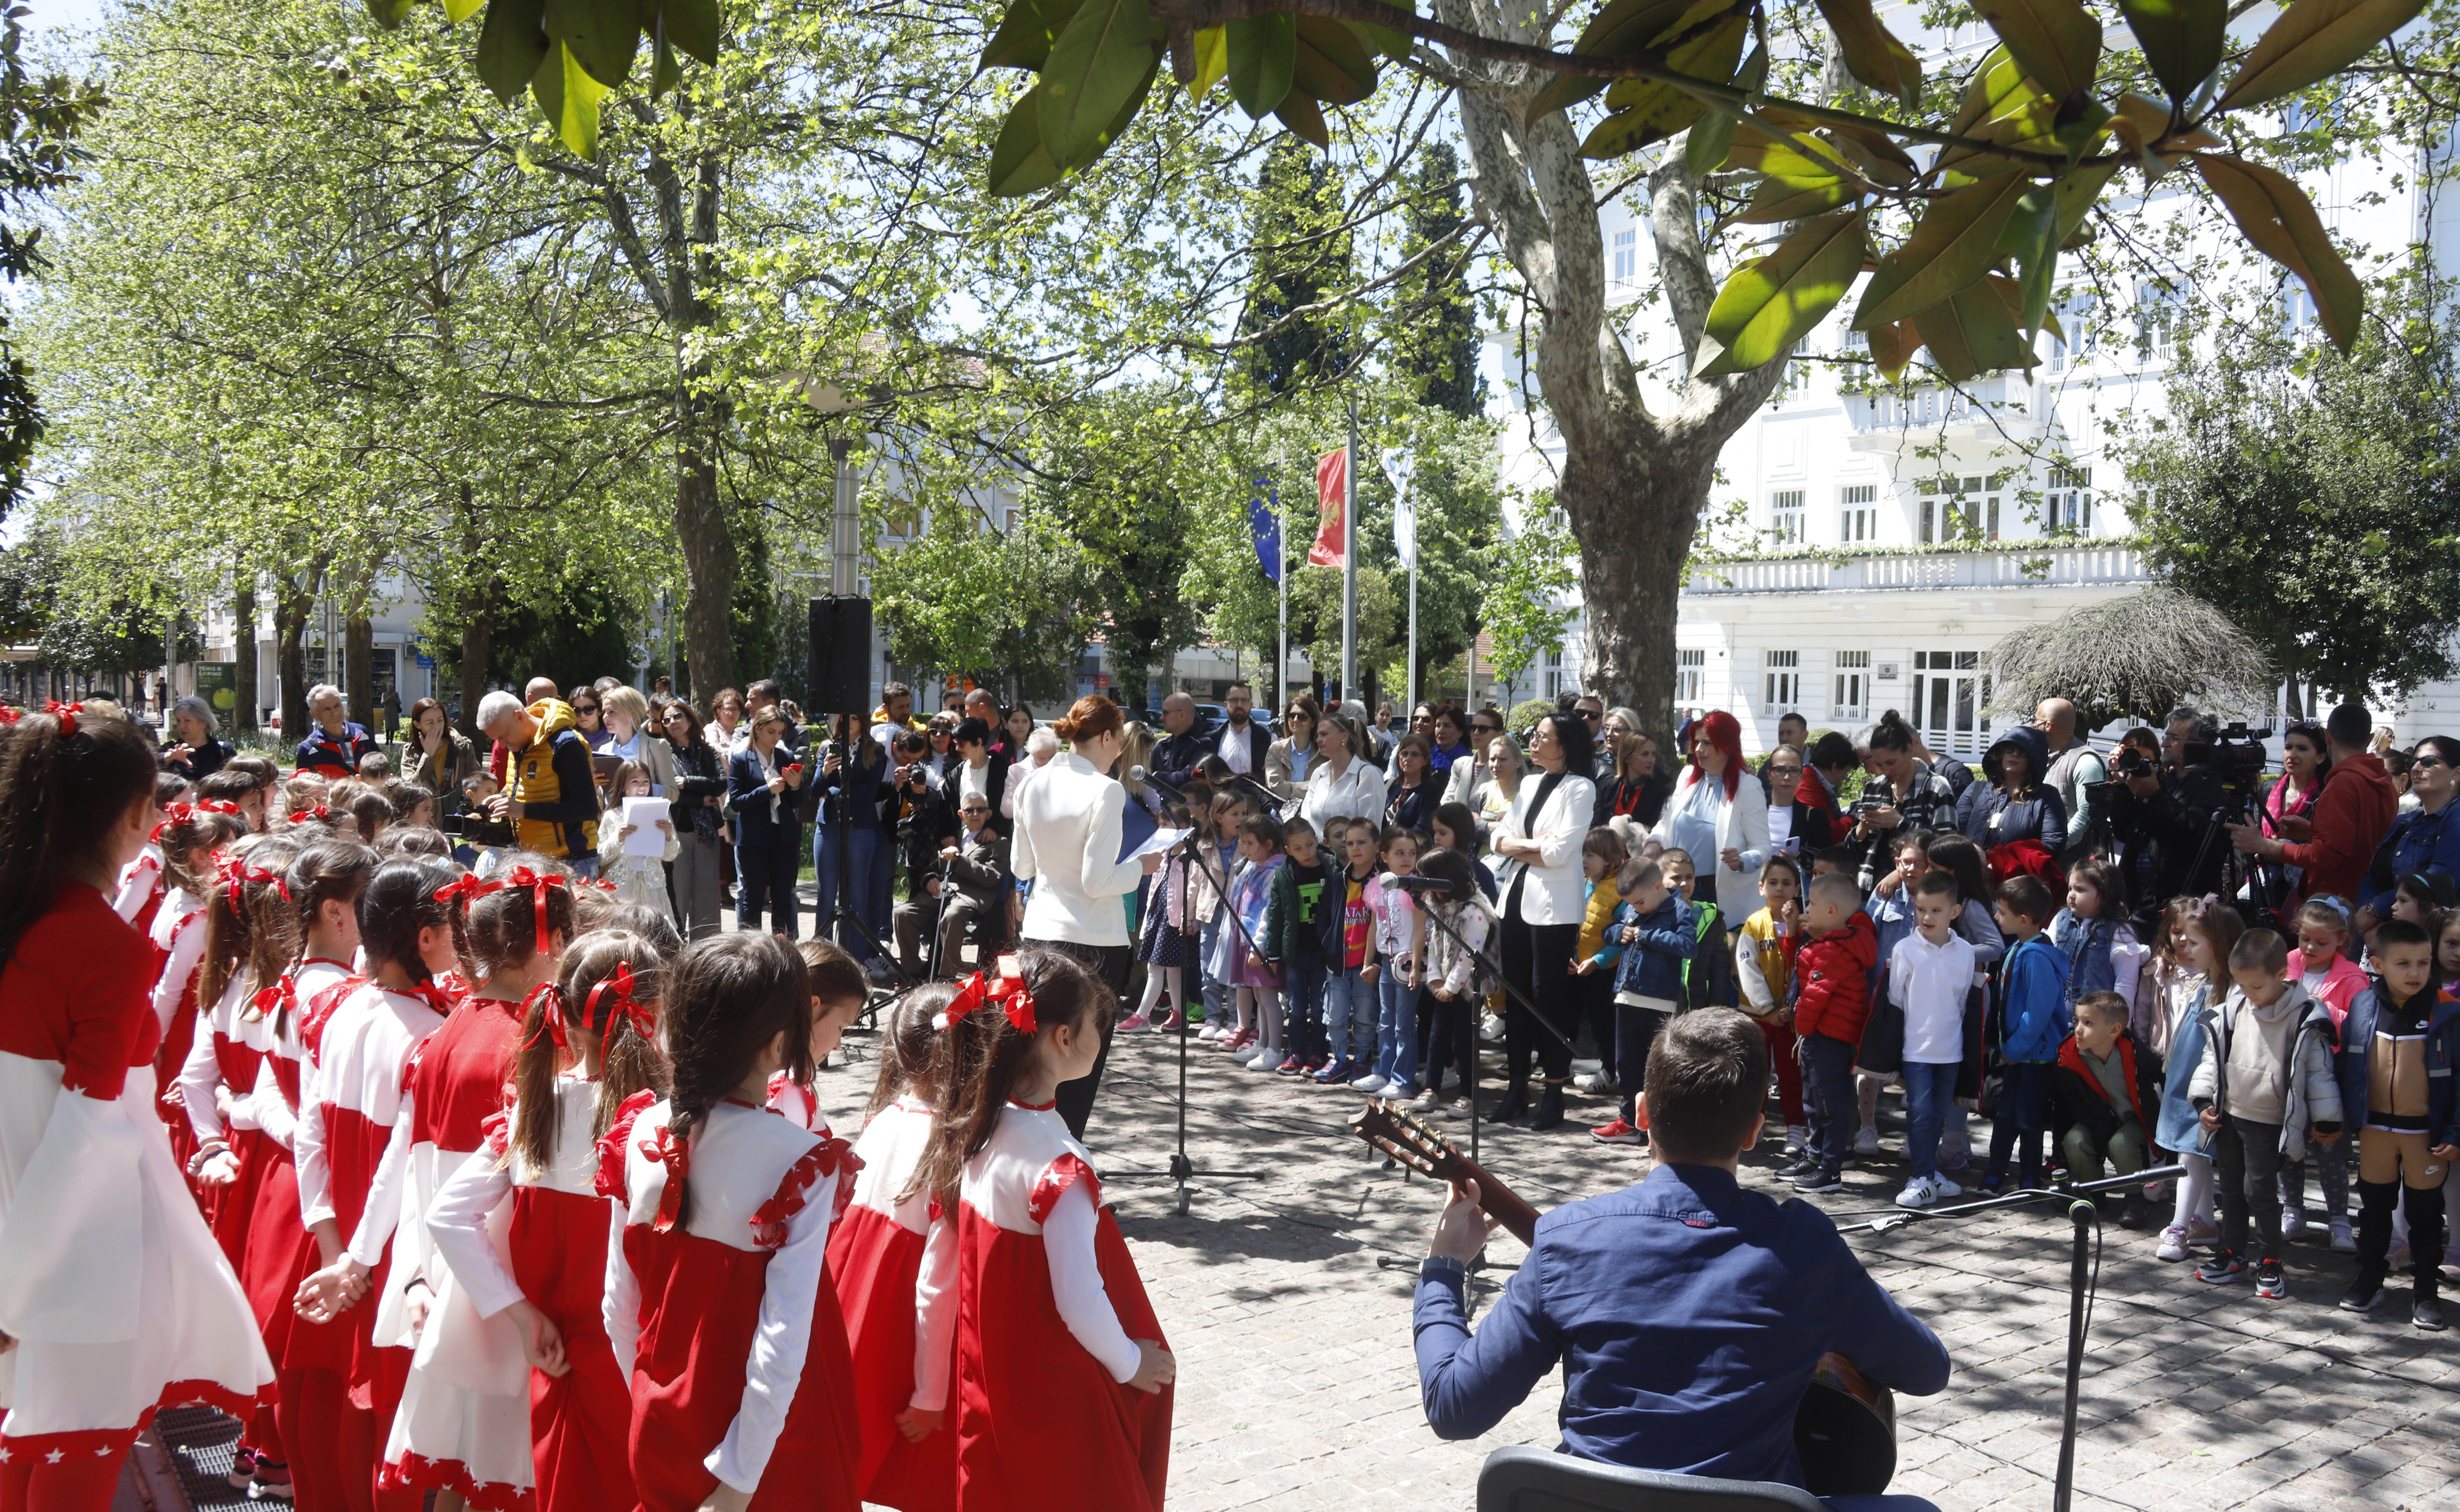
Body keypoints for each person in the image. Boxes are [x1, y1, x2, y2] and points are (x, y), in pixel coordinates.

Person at [1413, 1009, 1949, 1496]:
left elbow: (1454, 1407)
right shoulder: (1806, 1248)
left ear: (1642, 1114)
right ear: (1755, 1131)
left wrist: (1443, 1269)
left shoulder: (1566, 1239)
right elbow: (1928, 1370)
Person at [0, 702, 274, 1512]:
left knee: (28, 1444)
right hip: (82, 1248)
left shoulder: (32, 920)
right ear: (132, 814)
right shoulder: (103, 945)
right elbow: (91, 1133)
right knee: (76, 1451)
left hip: (29, 1226)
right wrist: (15, 1286)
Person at [604, 932, 866, 1511]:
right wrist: (739, 1479)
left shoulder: (638, 1133)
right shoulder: (799, 1160)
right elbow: (783, 1338)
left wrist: (647, 1399)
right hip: (770, 1450)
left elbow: (617, 1308)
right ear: (778, 1045)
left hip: (661, 1419)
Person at [915, 948, 1174, 1510]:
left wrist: (929, 1386)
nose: (1101, 1039)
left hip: (992, 1386)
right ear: (1062, 1039)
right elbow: (1080, 1300)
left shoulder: (975, 1130)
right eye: (1095, 1027)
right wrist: (1133, 1362)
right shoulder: (1059, 1167)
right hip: (1053, 1397)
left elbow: (934, 1277)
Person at [423, 934, 667, 1512]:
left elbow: (448, 1215)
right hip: (634, 1358)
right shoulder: (660, 1124)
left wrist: (521, 1315)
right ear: (654, 1014)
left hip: (555, 1353)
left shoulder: (534, 1110)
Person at [1008, 695, 1165, 1137]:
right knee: (1080, 1063)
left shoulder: (1031, 783)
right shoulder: (1106, 789)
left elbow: (1022, 867)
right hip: (1094, 939)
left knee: (1036, 1056)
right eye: (1119, 742)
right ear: (1107, 736)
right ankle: (1064, 1158)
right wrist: (1142, 867)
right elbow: (1098, 882)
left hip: (1039, 933)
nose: (1120, 753)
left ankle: (1026, 1149)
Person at [826, 988, 957, 1506]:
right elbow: (936, 1285)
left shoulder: (881, 1121)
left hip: (846, 1313)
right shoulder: (951, 1148)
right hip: (900, 1341)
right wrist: (931, 1392)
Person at [2187, 928, 2344, 1299]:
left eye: (2256, 987)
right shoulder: (2235, 1008)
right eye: (2241, 985)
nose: (2249, 995)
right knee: (2230, 1190)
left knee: (2260, 1193)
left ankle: (2270, 1261)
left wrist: (2327, 1120)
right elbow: (2213, 1059)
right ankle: (2232, 1254)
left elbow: (2319, 1073)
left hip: (2270, 1121)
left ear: (2281, 975)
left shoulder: (2304, 1016)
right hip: (2230, 1115)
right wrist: (2203, 1103)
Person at [2331, 917, 2452, 1327]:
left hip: (2425, 1136)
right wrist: (2335, 1118)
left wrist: (2455, 1131)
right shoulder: (2364, 1005)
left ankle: (2426, 1291)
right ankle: (2369, 1279)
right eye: (2404, 963)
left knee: (2425, 1215)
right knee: (2375, 1210)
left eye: (2424, 962)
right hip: (2376, 1132)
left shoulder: (2448, 1011)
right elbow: (2346, 1065)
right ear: (2378, 964)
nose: (2416, 972)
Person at [1485, 711, 1599, 1132]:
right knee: (1516, 996)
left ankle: (1554, 1091)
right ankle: (1517, 1087)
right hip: (1514, 899)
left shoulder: (1580, 788)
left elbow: (1560, 852)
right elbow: (1498, 838)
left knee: (1547, 997)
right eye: (1532, 736)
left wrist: (1524, 848)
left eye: (1542, 737)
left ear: (1564, 746)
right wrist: (1529, 847)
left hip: (1554, 907)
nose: (1533, 742)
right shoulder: (1529, 783)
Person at [2228, 703, 2399, 918]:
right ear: (2370, 737)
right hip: (2361, 899)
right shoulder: (2383, 780)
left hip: (2333, 907)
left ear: (2327, 737)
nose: (2293, 754)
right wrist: (2312, 831)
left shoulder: (2342, 784)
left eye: (2302, 748)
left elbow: (2327, 855)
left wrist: (2264, 845)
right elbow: (2358, 841)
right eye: (2289, 747)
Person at [2146, 898, 2244, 1263]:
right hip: (2185, 1080)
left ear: (2219, 945)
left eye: (2195, 941)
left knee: (2192, 1150)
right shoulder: (2205, 984)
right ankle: (2204, 1220)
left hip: (2205, 1087)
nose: (2185, 945)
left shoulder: (2232, 994)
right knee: (2195, 1152)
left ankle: (2180, 1225)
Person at [1586, 855, 1694, 1147]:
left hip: (1660, 1001)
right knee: (1627, 1064)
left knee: (1656, 1067)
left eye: (1639, 903)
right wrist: (1620, 932)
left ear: (1658, 887)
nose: (1635, 909)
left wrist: (1647, 935)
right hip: (1627, 996)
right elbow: (1609, 931)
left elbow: (1688, 946)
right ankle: (1629, 1123)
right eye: (1632, 905)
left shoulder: (1678, 909)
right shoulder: (1635, 909)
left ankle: (1656, 1127)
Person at [1889, 870, 1977, 1209]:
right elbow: (1896, 1001)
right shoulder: (1905, 949)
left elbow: (1961, 1001)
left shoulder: (1965, 952)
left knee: (1938, 1115)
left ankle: (1930, 1175)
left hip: (1950, 1050)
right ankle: (1922, 1177)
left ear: (1954, 912)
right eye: (1922, 909)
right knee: (1920, 1113)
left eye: (1937, 910)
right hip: (1917, 1050)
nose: (1927, 917)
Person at [1979, 875, 2069, 1196]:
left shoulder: (2036, 957)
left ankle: (2029, 1178)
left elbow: (2039, 1011)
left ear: (2024, 919)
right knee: (2005, 1118)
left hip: (2033, 1057)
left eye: (2001, 913)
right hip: (2015, 1054)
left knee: (2028, 1120)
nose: (1996, 918)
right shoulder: (2016, 950)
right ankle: (1995, 1174)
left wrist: (2014, 1048)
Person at [1646, 710, 1770, 929]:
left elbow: (1762, 846)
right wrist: (1654, 842)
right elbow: (1666, 823)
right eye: (1697, 742)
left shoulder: (1748, 786)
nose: (1699, 750)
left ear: (1728, 745)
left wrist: (1743, 861)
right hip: (1676, 888)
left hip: (1716, 893)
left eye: (1708, 743)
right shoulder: (1687, 777)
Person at [2050, 990, 2162, 1221]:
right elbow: (2062, 1109)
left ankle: (2135, 1200)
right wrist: (2058, 1156)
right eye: (2078, 1021)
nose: (2078, 1029)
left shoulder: (2135, 1053)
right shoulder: (2069, 1057)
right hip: (2097, 1120)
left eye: (2088, 1023)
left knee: (2122, 1144)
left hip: (2134, 1120)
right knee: (2075, 1140)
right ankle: (2093, 1193)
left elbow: (2163, 1074)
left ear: (2114, 1030)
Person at [476, 689, 603, 879]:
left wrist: (523, 810)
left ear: (519, 717)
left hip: (571, 863)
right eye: (496, 740)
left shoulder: (566, 744)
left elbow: (587, 809)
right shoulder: (519, 743)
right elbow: (538, 792)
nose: (502, 746)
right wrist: (504, 800)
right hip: (530, 861)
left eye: (503, 736)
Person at [1732, 852, 1806, 1154]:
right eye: (1773, 882)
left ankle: (1796, 1130)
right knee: (1757, 1073)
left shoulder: (1806, 925)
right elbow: (1747, 971)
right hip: (1759, 1016)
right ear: (1761, 887)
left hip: (1793, 1016)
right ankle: (1754, 1125)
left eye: (1787, 883)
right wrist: (1768, 1010)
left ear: (1798, 890)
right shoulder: (1753, 925)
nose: (1780, 889)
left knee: (1792, 1075)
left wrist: (1792, 1007)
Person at [897, 788, 1008, 980]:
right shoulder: (952, 837)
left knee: (952, 915)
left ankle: (948, 975)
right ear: (961, 815)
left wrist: (959, 860)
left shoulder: (999, 842)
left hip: (972, 895)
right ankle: (911, 972)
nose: (975, 814)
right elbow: (931, 867)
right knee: (903, 913)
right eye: (970, 810)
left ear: (988, 814)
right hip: (943, 891)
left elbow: (991, 876)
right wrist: (929, 878)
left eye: (981, 810)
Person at [1849, 711, 1959, 893]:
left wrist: (1901, 823)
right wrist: (1863, 828)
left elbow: (1947, 848)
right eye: (1879, 764)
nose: (1885, 770)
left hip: (1918, 893)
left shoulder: (1936, 788)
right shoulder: (1873, 788)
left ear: (1909, 750)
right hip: (1868, 888)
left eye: (1891, 762)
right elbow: (1851, 849)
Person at [729, 705, 809, 937]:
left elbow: (795, 802)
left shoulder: (785, 757)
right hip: (754, 839)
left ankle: (784, 951)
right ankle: (750, 951)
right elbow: (737, 802)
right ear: (757, 730)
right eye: (771, 732)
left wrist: (795, 787)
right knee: (753, 897)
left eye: (780, 733)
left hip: (784, 837)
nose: (776, 738)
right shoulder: (742, 760)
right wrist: (767, 790)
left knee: (783, 897)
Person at [2361, 734, 2460, 923]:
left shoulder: (2455, 819)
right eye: (2414, 762)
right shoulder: (2404, 822)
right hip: (2387, 933)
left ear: (2456, 773)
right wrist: (2367, 915)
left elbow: (2439, 880)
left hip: (2432, 939)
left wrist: (2375, 911)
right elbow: (2371, 877)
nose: (2416, 768)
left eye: (2428, 762)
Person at [1357, 824, 1424, 1098]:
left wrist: (1417, 967)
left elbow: (1420, 930)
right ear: (1384, 856)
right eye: (1400, 853)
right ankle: (1383, 1072)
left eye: (1412, 853)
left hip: (1408, 963)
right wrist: (1367, 962)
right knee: (1386, 1020)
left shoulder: (1418, 887)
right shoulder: (1380, 886)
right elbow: (1374, 926)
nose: (1407, 858)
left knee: (1403, 1024)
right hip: (1386, 962)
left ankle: (1403, 1080)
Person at [658, 696, 728, 938]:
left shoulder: (708, 752)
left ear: (689, 718)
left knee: (707, 899)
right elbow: (668, 793)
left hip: (707, 832)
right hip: (677, 833)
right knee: (678, 895)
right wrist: (699, 798)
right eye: (666, 720)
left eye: (678, 716)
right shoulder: (663, 753)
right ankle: (677, 952)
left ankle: (706, 955)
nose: (673, 722)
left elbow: (720, 784)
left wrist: (687, 783)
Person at [1957, 723, 2067, 858]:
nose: (2015, 754)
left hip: (2018, 877)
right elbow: (1954, 833)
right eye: (2010, 749)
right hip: (1971, 874)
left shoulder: (2047, 798)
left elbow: (2052, 846)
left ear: (2034, 760)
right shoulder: (1976, 790)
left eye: (2023, 752)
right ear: (2000, 754)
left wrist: (2002, 864)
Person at [601, 760, 681, 920]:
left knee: (654, 931)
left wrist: (667, 836)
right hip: (622, 888)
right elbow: (601, 857)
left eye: (646, 782)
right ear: (624, 786)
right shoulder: (612, 815)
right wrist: (618, 838)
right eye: (635, 782)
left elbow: (670, 856)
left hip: (653, 887)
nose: (642, 787)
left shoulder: (660, 813)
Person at [2035, 697, 2108, 866]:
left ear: (2048, 726)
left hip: (2072, 866)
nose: (2033, 726)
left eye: (2036, 721)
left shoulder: (2085, 762)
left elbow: (2087, 814)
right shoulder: (2044, 758)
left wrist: (2053, 845)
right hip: (2045, 859)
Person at [403, 696, 483, 823]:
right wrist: (428, 755)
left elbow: (478, 784)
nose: (437, 727)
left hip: (458, 821)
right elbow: (411, 789)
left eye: (440, 721)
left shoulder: (462, 747)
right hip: (426, 823)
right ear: (417, 724)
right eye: (430, 723)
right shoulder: (411, 751)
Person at [1593, 728, 1675, 832]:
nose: (1652, 761)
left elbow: (1656, 831)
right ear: (1627, 758)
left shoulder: (1661, 793)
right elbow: (1594, 826)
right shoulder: (1607, 786)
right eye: (1645, 754)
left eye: (1653, 755)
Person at [940, 715, 1012, 830]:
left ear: (979, 742)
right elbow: (945, 808)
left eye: (962, 743)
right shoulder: (955, 773)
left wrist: (994, 828)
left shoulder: (1002, 770)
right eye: (956, 742)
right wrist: (949, 836)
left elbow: (1008, 806)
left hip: (994, 841)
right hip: (962, 840)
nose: (958, 749)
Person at [295, 682, 380, 777]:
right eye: (327, 710)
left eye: (337, 706)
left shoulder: (362, 734)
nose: (335, 713)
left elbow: (381, 769)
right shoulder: (308, 749)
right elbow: (303, 787)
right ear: (314, 715)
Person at [1441, 707, 1505, 807]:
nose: (1476, 733)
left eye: (1483, 729)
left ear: (1499, 734)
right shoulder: (1460, 764)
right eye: (1473, 728)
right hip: (1454, 820)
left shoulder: (1504, 767)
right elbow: (1447, 801)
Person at [1206, 683, 1270, 779]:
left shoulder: (1266, 738)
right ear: (1226, 705)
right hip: (1220, 794)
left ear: (1251, 705)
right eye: (1234, 700)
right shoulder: (1213, 739)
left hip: (1252, 794)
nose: (1239, 705)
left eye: (1244, 700)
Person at [166, 694, 235, 781]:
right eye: (178, 720)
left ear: (204, 723)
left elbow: (234, 782)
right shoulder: (170, 749)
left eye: (187, 720)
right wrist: (169, 757)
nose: (181, 726)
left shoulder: (223, 750)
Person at [1265, 696, 1320, 801]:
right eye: (1292, 716)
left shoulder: (1322, 752)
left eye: (1302, 716)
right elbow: (1275, 785)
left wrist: (1289, 788)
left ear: (1313, 723)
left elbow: (1326, 786)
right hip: (1282, 811)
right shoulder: (1276, 749)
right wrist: (1310, 787)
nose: (1295, 720)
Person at [1384, 731, 1437, 833]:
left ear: (1425, 761)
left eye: (1415, 755)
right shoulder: (1389, 785)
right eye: (1404, 754)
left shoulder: (1432, 792)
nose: (1408, 759)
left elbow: (1422, 828)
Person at [569, 686, 610, 752]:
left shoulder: (615, 736)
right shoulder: (569, 741)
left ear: (600, 710)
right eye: (577, 711)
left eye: (589, 709)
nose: (583, 715)